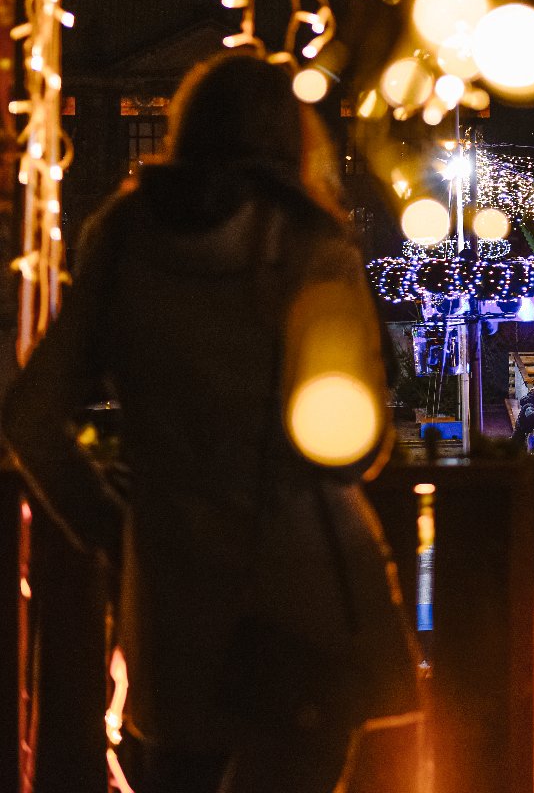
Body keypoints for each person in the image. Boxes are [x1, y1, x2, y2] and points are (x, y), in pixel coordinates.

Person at [1, 54, 416, 792]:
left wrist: (106, 522)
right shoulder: (309, 245)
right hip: (303, 584)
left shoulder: (125, 235)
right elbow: (357, 445)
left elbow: (32, 413)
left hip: (172, 586)